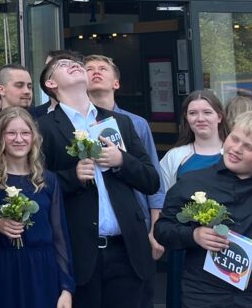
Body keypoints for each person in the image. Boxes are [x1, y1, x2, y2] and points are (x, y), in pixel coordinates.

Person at [36, 55, 160, 308]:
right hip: (80, 254)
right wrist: (72, 177)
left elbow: (151, 180)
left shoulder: (121, 122)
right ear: (51, 84)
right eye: (61, 65)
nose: (73, 64)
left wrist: (122, 160)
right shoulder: (42, 127)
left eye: (75, 63)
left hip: (127, 252)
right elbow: (35, 185)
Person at [154, 110, 252, 307]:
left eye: (249, 147)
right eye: (234, 139)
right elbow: (162, 230)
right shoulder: (192, 182)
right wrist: (194, 235)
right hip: (204, 294)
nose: (236, 149)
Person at [84, 53, 167, 296]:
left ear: (116, 83)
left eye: (102, 68)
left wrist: (155, 228)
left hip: (134, 225)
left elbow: (154, 179)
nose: (96, 71)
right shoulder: (75, 124)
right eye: (89, 68)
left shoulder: (136, 124)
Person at [0, 107, 74, 308]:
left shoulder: (47, 180)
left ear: (33, 137)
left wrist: (66, 288)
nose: (19, 139)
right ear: (0, 137)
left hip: (42, 269)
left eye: (25, 133)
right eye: (11, 133)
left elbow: (60, 237)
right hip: (3, 268)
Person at [157, 90, 229, 308]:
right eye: (193, 113)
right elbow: (163, 201)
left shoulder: (233, 153)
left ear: (219, 116)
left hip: (228, 245)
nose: (200, 118)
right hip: (187, 246)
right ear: (186, 119)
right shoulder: (176, 157)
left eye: (207, 112)